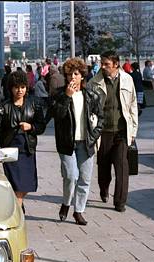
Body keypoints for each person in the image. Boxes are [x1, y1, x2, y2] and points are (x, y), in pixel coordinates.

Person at [50, 58, 104, 225]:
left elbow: (101, 119)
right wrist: (67, 96)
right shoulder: (60, 94)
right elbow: (57, 116)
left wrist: (93, 136)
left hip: (86, 143)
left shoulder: (91, 95)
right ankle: (66, 203)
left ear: (82, 76)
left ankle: (78, 210)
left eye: (76, 74)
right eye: (69, 74)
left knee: (85, 179)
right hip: (67, 143)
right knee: (71, 176)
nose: (72, 77)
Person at [89, 50, 138, 212]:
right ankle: (104, 190)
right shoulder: (94, 83)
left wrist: (133, 131)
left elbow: (133, 106)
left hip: (122, 132)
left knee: (122, 167)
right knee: (103, 168)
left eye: (106, 64)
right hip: (103, 132)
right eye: (102, 63)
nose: (103, 67)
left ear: (116, 64)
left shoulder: (127, 80)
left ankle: (120, 202)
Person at [0, 71, 46, 212]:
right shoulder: (3, 107)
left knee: (27, 185)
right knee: (15, 184)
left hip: (27, 149)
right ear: (11, 88)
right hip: (10, 150)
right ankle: (17, 210)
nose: (19, 90)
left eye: (22, 87)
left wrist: (31, 127)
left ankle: (17, 204)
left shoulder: (34, 104)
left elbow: (41, 126)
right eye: (16, 87)